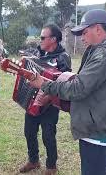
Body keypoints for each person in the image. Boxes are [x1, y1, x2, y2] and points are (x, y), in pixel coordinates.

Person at [29, 9, 106, 175]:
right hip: (103, 125)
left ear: (98, 29)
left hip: (97, 130)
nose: (82, 38)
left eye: (85, 32)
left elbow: (78, 88)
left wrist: (44, 84)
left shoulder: (104, 54)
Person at [18, 23, 71, 175]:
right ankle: (33, 160)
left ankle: (51, 166)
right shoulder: (37, 54)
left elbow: (65, 82)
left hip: (51, 104)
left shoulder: (63, 58)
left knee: (48, 135)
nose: (40, 40)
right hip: (32, 100)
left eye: (43, 37)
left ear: (53, 39)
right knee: (29, 132)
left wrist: (48, 96)